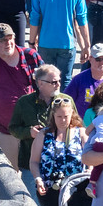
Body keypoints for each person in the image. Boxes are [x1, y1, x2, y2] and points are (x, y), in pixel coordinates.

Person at [0, 23, 44, 165]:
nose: (8, 43)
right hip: (4, 131)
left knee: (33, 171)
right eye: (2, 40)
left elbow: (48, 83)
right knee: (8, 173)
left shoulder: (31, 57)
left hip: (31, 129)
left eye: (10, 38)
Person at [25, 0, 90, 82]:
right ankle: (64, 103)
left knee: (46, 80)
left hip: (45, 43)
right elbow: (82, 19)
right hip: (67, 43)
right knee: (65, 80)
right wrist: (86, 46)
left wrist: (31, 42)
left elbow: (35, 18)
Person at [9, 62, 65, 195]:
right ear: (40, 83)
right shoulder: (24, 102)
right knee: (32, 205)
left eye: (59, 81)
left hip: (60, 164)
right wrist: (29, 132)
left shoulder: (66, 101)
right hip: (31, 163)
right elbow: (13, 128)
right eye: (53, 82)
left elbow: (76, 127)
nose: (58, 85)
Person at [32, 93, 85, 206]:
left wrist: (90, 171)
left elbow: (91, 160)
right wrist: (38, 179)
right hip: (49, 188)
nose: (63, 120)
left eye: (66, 116)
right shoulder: (43, 134)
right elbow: (34, 161)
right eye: (59, 116)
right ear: (53, 116)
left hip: (76, 189)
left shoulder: (81, 133)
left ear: (72, 114)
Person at [65, 44, 103, 117]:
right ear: (90, 59)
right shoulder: (79, 79)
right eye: (98, 59)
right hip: (82, 125)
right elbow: (66, 102)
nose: (102, 62)